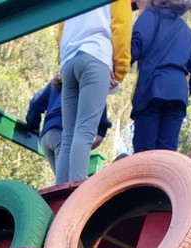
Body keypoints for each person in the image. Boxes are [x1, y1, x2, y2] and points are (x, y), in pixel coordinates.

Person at [55, 0, 131, 184]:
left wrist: (63, 61)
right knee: (85, 130)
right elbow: (121, 26)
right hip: (96, 54)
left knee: (68, 135)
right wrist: (120, 70)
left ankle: (60, 191)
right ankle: (77, 190)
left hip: (69, 61)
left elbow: (61, 27)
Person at [131, 0, 191, 153]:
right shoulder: (188, 32)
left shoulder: (150, 16)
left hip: (151, 89)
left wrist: (116, 69)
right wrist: (185, 90)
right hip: (177, 96)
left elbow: (137, 44)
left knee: (144, 152)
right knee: (167, 153)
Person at [26, 75, 112, 174]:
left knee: (62, 179)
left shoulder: (59, 79)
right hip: (64, 136)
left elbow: (35, 103)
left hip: (46, 137)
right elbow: (101, 125)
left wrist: (33, 126)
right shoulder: (92, 83)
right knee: (69, 179)